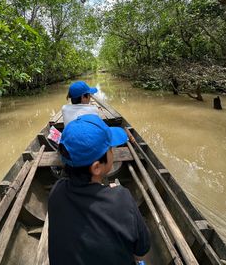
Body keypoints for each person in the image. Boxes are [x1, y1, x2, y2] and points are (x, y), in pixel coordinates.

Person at [48, 114, 151, 265]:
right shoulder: (122, 198)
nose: (112, 151)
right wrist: (116, 194)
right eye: (110, 148)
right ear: (96, 167)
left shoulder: (56, 190)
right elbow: (142, 248)